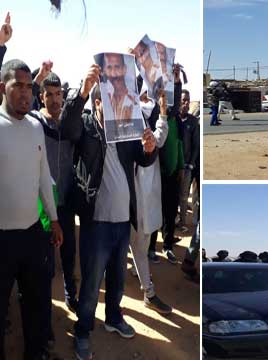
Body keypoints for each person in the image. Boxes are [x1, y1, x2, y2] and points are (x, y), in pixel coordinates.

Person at [62, 68, 158, 359]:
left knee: (117, 278)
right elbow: (68, 129)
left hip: (121, 220)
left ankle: (114, 318)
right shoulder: (87, 127)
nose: (110, 103)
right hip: (96, 221)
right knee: (92, 283)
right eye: (103, 98)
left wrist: (150, 147)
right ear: (97, 102)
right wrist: (81, 93)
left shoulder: (127, 129)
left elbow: (143, 158)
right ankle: (82, 330)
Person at [1, 59, 63, 360]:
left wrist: (54, 220)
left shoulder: (36, 128)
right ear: (3, 88)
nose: (26, 93)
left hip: (32, 233)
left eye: (29, 87)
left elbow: (42, 177)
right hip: (1, 240)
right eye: (18, 87)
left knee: (37, 304)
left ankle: (36, 353)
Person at [28, 70, 82, 316]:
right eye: (49, 94)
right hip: (42, 203)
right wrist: (37, 75)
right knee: (45, 259)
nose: (55, 99)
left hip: (66, 199)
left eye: (58, 94)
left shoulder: (69, 124)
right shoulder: (35, 122)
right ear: (41, 96)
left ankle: (71, 292)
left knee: (69, 252)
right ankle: (43, 308)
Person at [129, 83, 173, 315]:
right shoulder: (123, 124)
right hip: (132, 197)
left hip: (149, 192)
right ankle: (149, 291)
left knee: (142, 241)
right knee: (138, 241)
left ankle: (139, 271)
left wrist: (163, 111)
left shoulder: (143, 119)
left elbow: (159, 139)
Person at [149, 65, 184, 264]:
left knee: (170, 212)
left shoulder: (175, 119)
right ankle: (151, 248)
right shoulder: (154, 118)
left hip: (172, 173)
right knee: (155, 211)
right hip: (156, 172)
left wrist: (177, 81)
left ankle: (168, 245)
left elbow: (179, 143)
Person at [177, 89, 200, 230]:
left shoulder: (192, 121)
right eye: (183, 100)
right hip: (173, 166)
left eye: (187, 100)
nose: (185, 103)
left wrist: (191, 164)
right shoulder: (172, 119)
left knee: (184, 196)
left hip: (186, 166)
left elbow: (195, 145)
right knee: (172, 196)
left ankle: (183, 222)